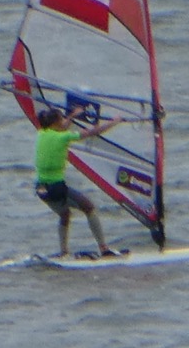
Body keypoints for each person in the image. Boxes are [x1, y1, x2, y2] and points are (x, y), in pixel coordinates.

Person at [33, 106, 123, 258]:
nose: (64, 123)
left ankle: (63, 252)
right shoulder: (63, 137)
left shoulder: (42, 133)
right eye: (62, 120)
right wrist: (115, 122)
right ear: (56, 123)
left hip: (41, 189)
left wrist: (72, 116)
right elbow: (92, 132)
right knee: (89, 207)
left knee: (65, 214)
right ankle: (104, 248)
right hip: (55, 188)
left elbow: (62, 126)